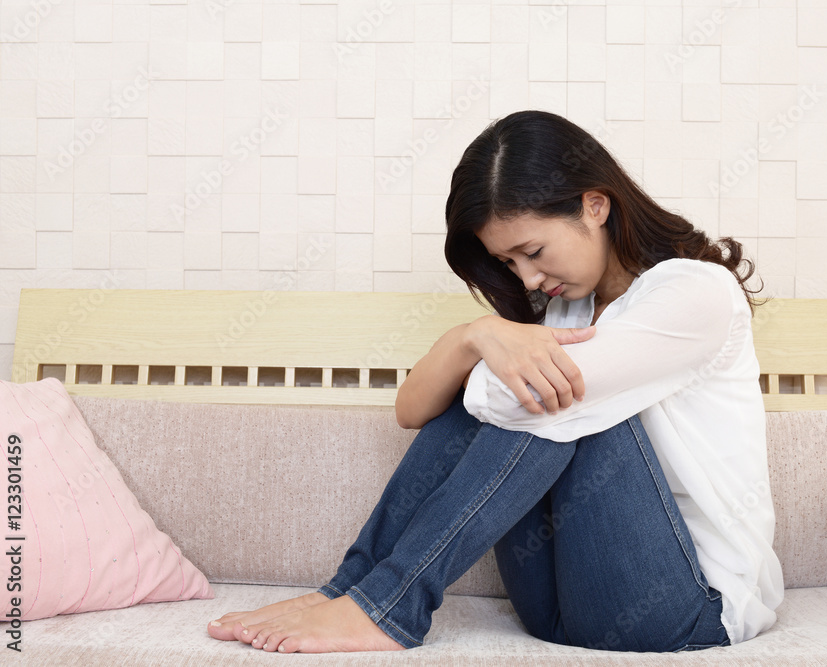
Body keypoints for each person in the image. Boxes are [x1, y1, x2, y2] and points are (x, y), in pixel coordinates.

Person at [206, 109, 784, 654]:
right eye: (509, 263)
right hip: (559, 605)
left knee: (545, 393)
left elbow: (515, 399)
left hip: (688, 607)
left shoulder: (695, 293)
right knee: (524, 386)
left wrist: (487, 357)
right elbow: (411, 410)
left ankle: (388, 604)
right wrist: (473, 337)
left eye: (532, 251)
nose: (527, 278)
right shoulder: (565, 312)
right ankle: (352, 590)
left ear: (594, 206)